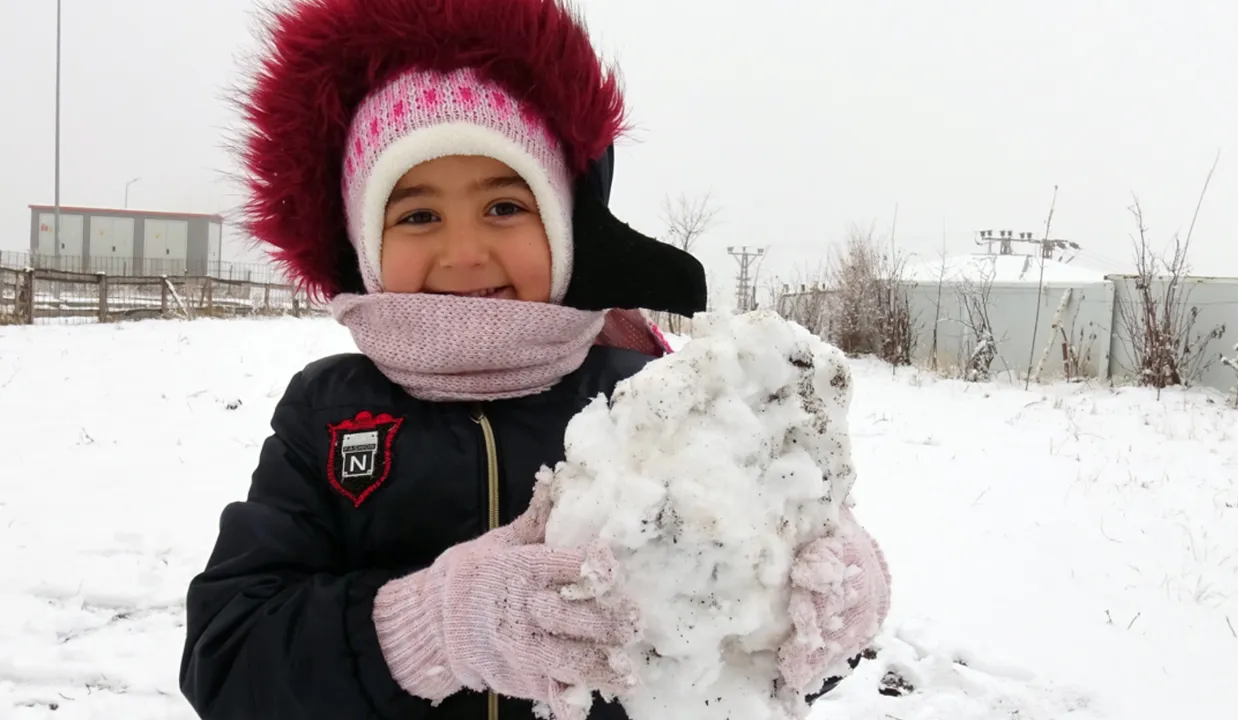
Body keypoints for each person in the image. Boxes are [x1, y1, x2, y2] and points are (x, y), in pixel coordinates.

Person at [178, 1, 889, 719]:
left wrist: (823, 609)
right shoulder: (327, 416)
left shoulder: (650, 402)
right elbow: (228, 659)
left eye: (504, 208)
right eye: (418, 214)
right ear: (367, 246)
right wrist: (432, 628)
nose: (464, 254)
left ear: (563, 228)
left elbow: (738, 657)